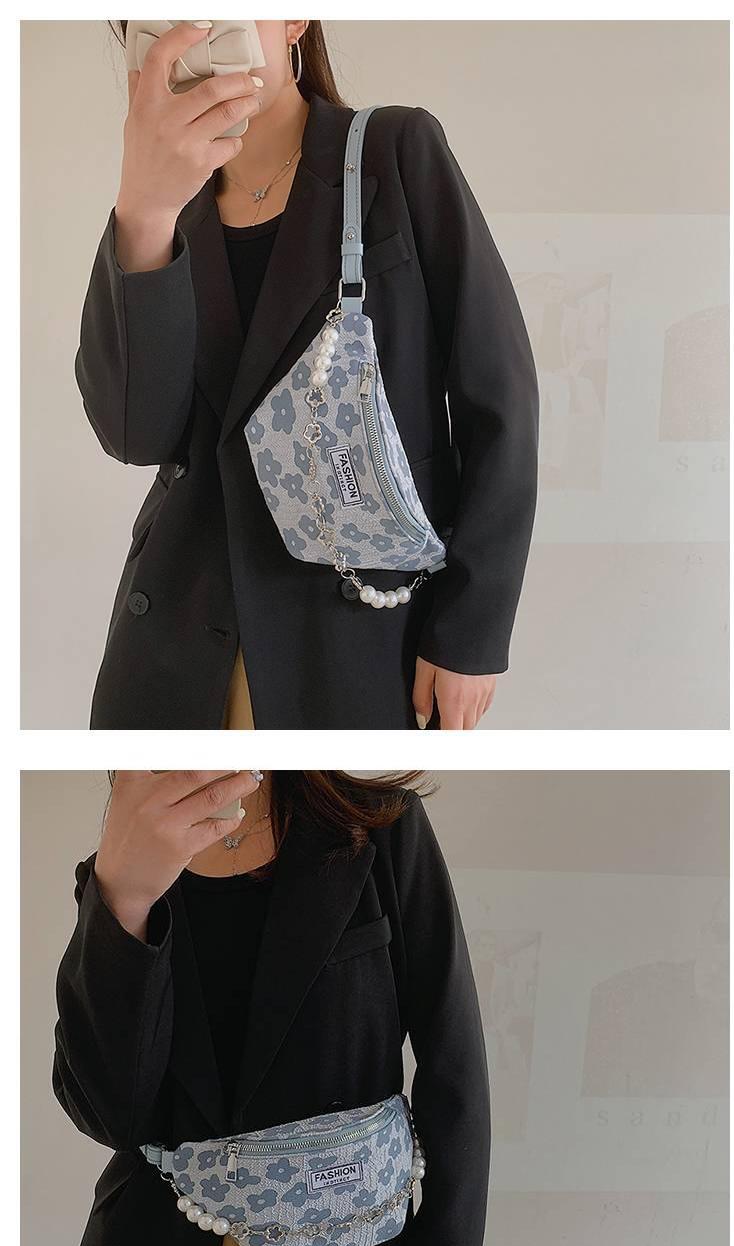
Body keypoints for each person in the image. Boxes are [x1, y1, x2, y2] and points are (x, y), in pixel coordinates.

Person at [75, 19, 540, 730]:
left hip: (354, 634)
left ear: (295, 18)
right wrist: (144, 209)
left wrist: (472, 630)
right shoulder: (163, 210)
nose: (193, 28)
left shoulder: (393, 150)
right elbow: (136, 435)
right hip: (180, 637)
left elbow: (498, 395)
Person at [42, 769, 492, 1246]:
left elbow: (454, 1066)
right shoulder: (133, 848)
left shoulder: (378, 824)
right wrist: (124, 900)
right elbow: (105, 1112)